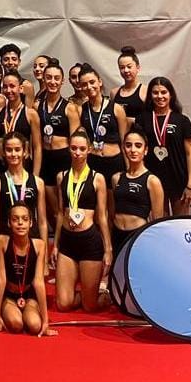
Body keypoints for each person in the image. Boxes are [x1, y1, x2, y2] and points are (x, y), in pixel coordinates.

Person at [53, 128, 112, 312]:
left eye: (82, 149)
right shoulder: (61, 176)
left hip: (89, 242)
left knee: (90, 307)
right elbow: (60, 213)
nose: (77, 153)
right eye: (73, 148)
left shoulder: (97, 178)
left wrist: (108, 249)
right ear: (68, 149)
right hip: (67, 242)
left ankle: (103, 295)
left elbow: (102, 216)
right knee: (63, 304)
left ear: (89, 150)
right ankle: (82, 293)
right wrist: (55, 245)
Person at [0, 202, 56, 336]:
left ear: (31, 223)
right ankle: (4, 310)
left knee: (35, 326)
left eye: (25, 219)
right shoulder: (2, 241)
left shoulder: (39, 245)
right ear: (9, 223)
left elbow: (38, 282)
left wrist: (45, 322)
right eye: (15, 219)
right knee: (16, 324)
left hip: (28, 294)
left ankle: (30, 311)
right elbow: (1, 279)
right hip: (9, 295)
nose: (20, 223)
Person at [136, 76, 191, 216]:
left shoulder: (182, 120)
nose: (160, 96)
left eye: (163, 92)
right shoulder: (142, 119)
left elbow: (190, 153)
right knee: (159, 224)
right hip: (153, 181)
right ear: (150, 95)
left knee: (181, 224)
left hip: (179, 182)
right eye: (155, 93)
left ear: (171, 95)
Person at [35, 60, 81, 231]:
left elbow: (76, 140)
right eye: (49, 78)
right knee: (52, 207)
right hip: (46, 159)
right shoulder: (37, 106)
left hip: (64, 159)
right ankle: (57, 240)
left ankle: (69, 237)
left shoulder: (70, 108)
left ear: (62, 81)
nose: (52, 82)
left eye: (56, 78)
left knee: (66, 205)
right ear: (44, 79)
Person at [0, 132, 47, 255]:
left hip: (31, 241)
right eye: (9, 150)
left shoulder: (38, 182)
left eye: (17, 149)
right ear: (3, 153)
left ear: (25, 152)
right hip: (6, 242)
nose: (13, 154)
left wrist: (45, 255)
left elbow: (42, 222)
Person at [111, 129, 164, 254]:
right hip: (117, 236)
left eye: (138, 146)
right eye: (128, 145)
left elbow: (157, 221)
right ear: (123, 148)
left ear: (145, 150)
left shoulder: (152, 181)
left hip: (138, 236)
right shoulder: (116, 178)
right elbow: (112, 212)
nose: (133, 150)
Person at [78, 63, 128, 195]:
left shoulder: (116, 108)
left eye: (92, 82)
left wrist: (129, 169)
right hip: (93, 162)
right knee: (96, 202)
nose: (89, 87)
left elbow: (125, 141)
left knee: (113, 202)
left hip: (114, 162)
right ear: (81, 87)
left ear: (99, 82)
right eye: (84, 84)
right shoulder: (81, 110)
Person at [0, 69, 42, 175]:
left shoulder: (31, 114)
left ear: (20, 88)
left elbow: (37, 147)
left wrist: (35, 176)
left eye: (12, 86)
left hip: (24, 168)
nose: (8, 90)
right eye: (5, 87)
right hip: (2, 168)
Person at [109, 46, 148, 125]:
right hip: (119, 132)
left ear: (138, 68)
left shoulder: (146, 91)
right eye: (122, 67)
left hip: (139, 132)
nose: (126, 70)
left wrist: (130, 120)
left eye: (129, 67)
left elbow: (150, 119)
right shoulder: (114, 93)